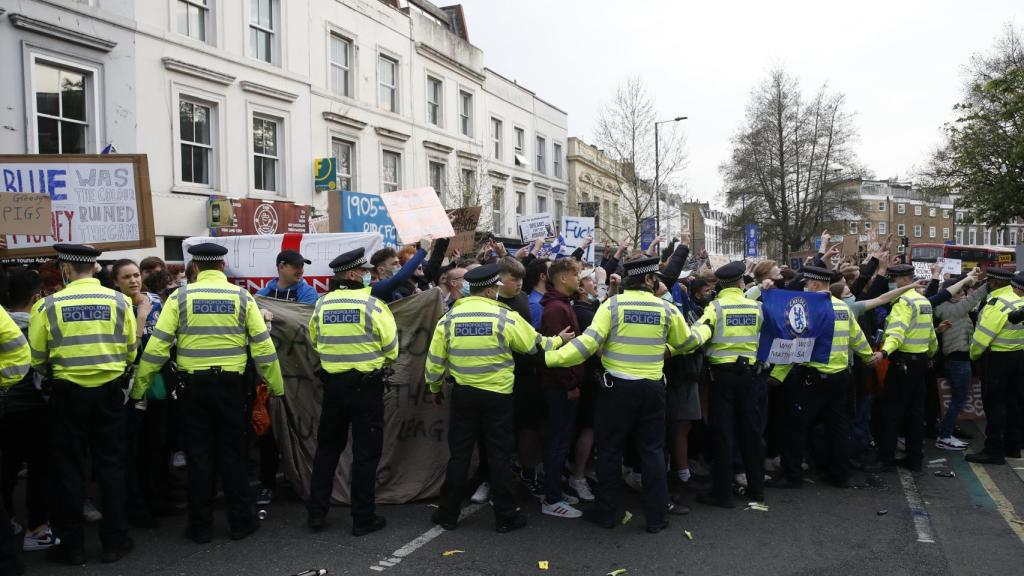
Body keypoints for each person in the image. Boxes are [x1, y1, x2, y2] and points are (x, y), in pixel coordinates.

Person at [131, 243, 284, 544]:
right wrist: (276, 386)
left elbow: (158, 346)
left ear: (196, 268)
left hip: (193, 390)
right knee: (234, 455)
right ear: (223, 266)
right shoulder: (242, 297)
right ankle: (241, 522)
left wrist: (139, 387)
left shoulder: (180, 298)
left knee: (199, 457)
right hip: (232, 388)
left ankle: (200, 527)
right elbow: (263, 346)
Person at [545, 256, 700, 533]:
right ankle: (656, 517)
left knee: (609, 452)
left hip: (616, 389)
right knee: (652, 453)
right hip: (652, 389)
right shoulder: (666, 308)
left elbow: (589, 344)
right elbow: (687, 342)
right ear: (650, 280)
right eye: (657, 279)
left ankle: (606, 512)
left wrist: (551, 358)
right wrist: (703, 331)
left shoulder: (611, 305)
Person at [425, 264, 572, 533]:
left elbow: (435, 361)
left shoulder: (450, 319)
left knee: (459, 456)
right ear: (491, 290)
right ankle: (506, 516)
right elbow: (534, 345)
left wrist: (434, 388)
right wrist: (559, 341)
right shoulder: (504, 316)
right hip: (498, 398)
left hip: (464, 396)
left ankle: (447, 514)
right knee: (499, 456)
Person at [28, 244, 137, 565]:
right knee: (111, 469)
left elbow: (36, 357)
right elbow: (131, 349)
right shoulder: (119, 301)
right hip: (110, 394)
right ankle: (114, 542)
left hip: (66, 395)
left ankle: (71, 547)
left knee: (69, 470)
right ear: (95, 268)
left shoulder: (48, 305)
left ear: (65, 269)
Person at [306, 248, 398, 536]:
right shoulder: (374, 306)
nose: (369, 275)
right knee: (365, 455)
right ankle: (362, 519)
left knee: (327, 451)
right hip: (366, 388)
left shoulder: (321, 305)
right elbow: (391, 349)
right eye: (366, 271)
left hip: (334, 387)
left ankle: (316, 515)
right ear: (354, 274)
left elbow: (316, 342)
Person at [767, 266, 876, 489]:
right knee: (837, 427)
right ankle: (840, 475)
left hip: (813, 378)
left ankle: (792, 475)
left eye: (807, 283)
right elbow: (857, 337)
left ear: (815, 285)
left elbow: (795, 345)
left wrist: (777, 375)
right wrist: (868, 357)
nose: (805, 287)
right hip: (840, 377)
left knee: (794, 427)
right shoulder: (842, 308)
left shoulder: (808, 309)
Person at [686, 261, 765, 508]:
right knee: (751, 433)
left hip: (722, 377)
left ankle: (723, 494)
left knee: (723, 434)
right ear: (741, 282)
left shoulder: (716, 308)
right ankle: (757, 489)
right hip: (750, 376)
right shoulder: (756, 308)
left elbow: (698, 335)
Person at [0, 267, 58, 553]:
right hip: (36, 408)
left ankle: (8, 520)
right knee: (40, 469)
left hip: (4, 406)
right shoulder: (43, 324)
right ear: (37, 296)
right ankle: (37, 528)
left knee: (7, 467)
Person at [112, 259, 166, 528]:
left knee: (157, 445)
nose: (133, 281)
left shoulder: (157, 300)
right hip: (129, 386)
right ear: (116, 282)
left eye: (135, 275)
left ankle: (158, 497)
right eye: (126, 277)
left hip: (158, 382)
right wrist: (140, 316)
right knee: (131, 448)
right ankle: (136, 507)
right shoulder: (114, 305)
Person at [869, 263, 938, 472]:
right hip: (920, 363)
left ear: (904, 280)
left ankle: (886, 458)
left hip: (902, 364)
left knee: (892, 412)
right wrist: (930, 354)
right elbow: (931, 334)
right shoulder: (924, 301)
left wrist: (884, 352)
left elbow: (896, 333)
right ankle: (914, 458)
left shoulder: (904, 302)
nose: (893, 283)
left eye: (894, 280)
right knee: (916, 413)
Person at [538, 257, 584, 518]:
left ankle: (556, 488)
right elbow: (560, 353)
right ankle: (551, 498)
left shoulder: (562, 304)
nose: (579, 278)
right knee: (556, 442)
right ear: (563, 278)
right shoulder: (556, 309)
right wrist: (570, 384)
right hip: (559, 388)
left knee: (562, 440)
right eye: (576, 274)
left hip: (563, 386)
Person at [964, 269, 1024, 464]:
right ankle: (1013, 447)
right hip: (1018, 357)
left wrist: (974, 355)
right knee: (1013, 403)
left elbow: (982, 338)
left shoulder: (997, 303)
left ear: (994, 283)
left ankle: (993, 451)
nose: (987, 284)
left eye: (989, 281)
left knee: (994, 406)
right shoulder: (1019, 302)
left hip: (997, 360)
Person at [933, 272, 986, 450]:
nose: (964, 295)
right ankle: (945, 435)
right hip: (958, 361)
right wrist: (991, 282)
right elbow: (975, 298)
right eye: (959, 292)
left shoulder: (950, 308)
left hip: (957, 360)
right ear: (950, 293)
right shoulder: (951, 309)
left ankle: (946, 432)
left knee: (957, 398)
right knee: (959, 399)